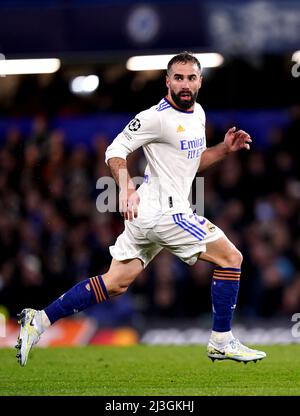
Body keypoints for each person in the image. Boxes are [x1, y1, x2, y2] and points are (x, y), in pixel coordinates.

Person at [16, 52, 266, 366]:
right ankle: (221, 340)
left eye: (191, 77)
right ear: (167, 81)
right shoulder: (154, 117)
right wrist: (125, 185)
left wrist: (224, 150)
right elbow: (115, 150)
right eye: (178, 78)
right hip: (164, 212)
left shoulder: (198, 114)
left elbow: (191, 164)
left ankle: (38, 320)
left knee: (115, 282)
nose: (185, 84)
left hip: (151, 213)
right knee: (231, 257)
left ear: (200, 81)